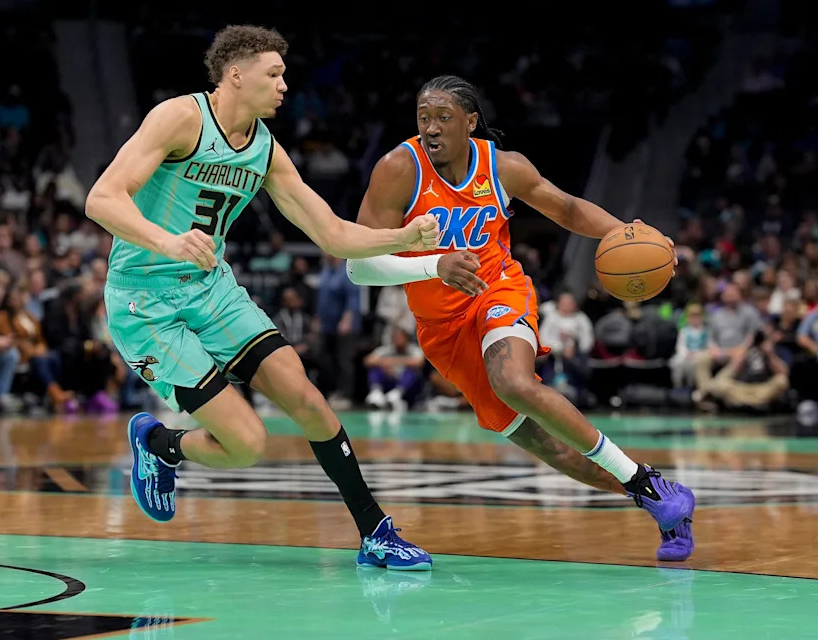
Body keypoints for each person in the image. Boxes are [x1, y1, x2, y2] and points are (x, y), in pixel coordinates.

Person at [85, 25, 439, 570]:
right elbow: (102, 198)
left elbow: (332, 233)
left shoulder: (266, 151)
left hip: (212, 289)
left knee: (307, 398)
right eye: (274, 74)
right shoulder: (180, 117)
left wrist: (404, 238)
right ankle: (159, 445)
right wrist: (167, 241)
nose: (284, 86)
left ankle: (376, 532)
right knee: (247, 445)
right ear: (235, 74)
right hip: (145, 302)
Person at [347, 75, 695, 562]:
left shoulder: (503, 167)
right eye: (423, 117)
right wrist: (435, 265)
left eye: (443, 117)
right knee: (548, 448)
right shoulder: (398, 169)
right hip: (441, 328)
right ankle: (658, 496)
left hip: (498, 290)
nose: (431, 128)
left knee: (513, 381)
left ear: (470, 122)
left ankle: (644, 482)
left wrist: (631, 234)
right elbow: (357, 265)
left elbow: (569, 210)